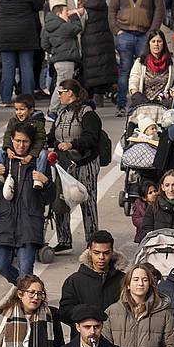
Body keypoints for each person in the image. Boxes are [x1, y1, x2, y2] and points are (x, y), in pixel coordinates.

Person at [0, 121, 54, 284]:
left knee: (25, 271)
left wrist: (46, 183)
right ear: (11, 140)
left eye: (25, 141)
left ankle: (26, 295)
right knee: (1, 265)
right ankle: (28, 290)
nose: (21, 145)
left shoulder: (38, 164)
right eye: (17, 141)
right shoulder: (2, 161)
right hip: (6, 222)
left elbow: (49, 198)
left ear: (31, 143)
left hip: (29, 224)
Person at [48, 79, 104, 252]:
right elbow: (52, 136)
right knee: (61, 200)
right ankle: (64, 240)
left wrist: (72, 144)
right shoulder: (61, 113)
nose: (59, 96)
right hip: (63, 163)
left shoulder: (88, 113)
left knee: (87, 200)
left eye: (60, 92)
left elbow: (92, 138)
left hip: (85, 163)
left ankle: (93, 242)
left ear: (70, 93)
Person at [57, 230, 125, 328]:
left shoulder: (123, 280)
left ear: (112, 252)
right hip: (84, 339)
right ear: (89, 251)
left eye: (106, 253)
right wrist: (85, 315)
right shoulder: (74, 281)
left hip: (117, 337)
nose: (101, 257)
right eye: (96, 253)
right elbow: (64, 312)